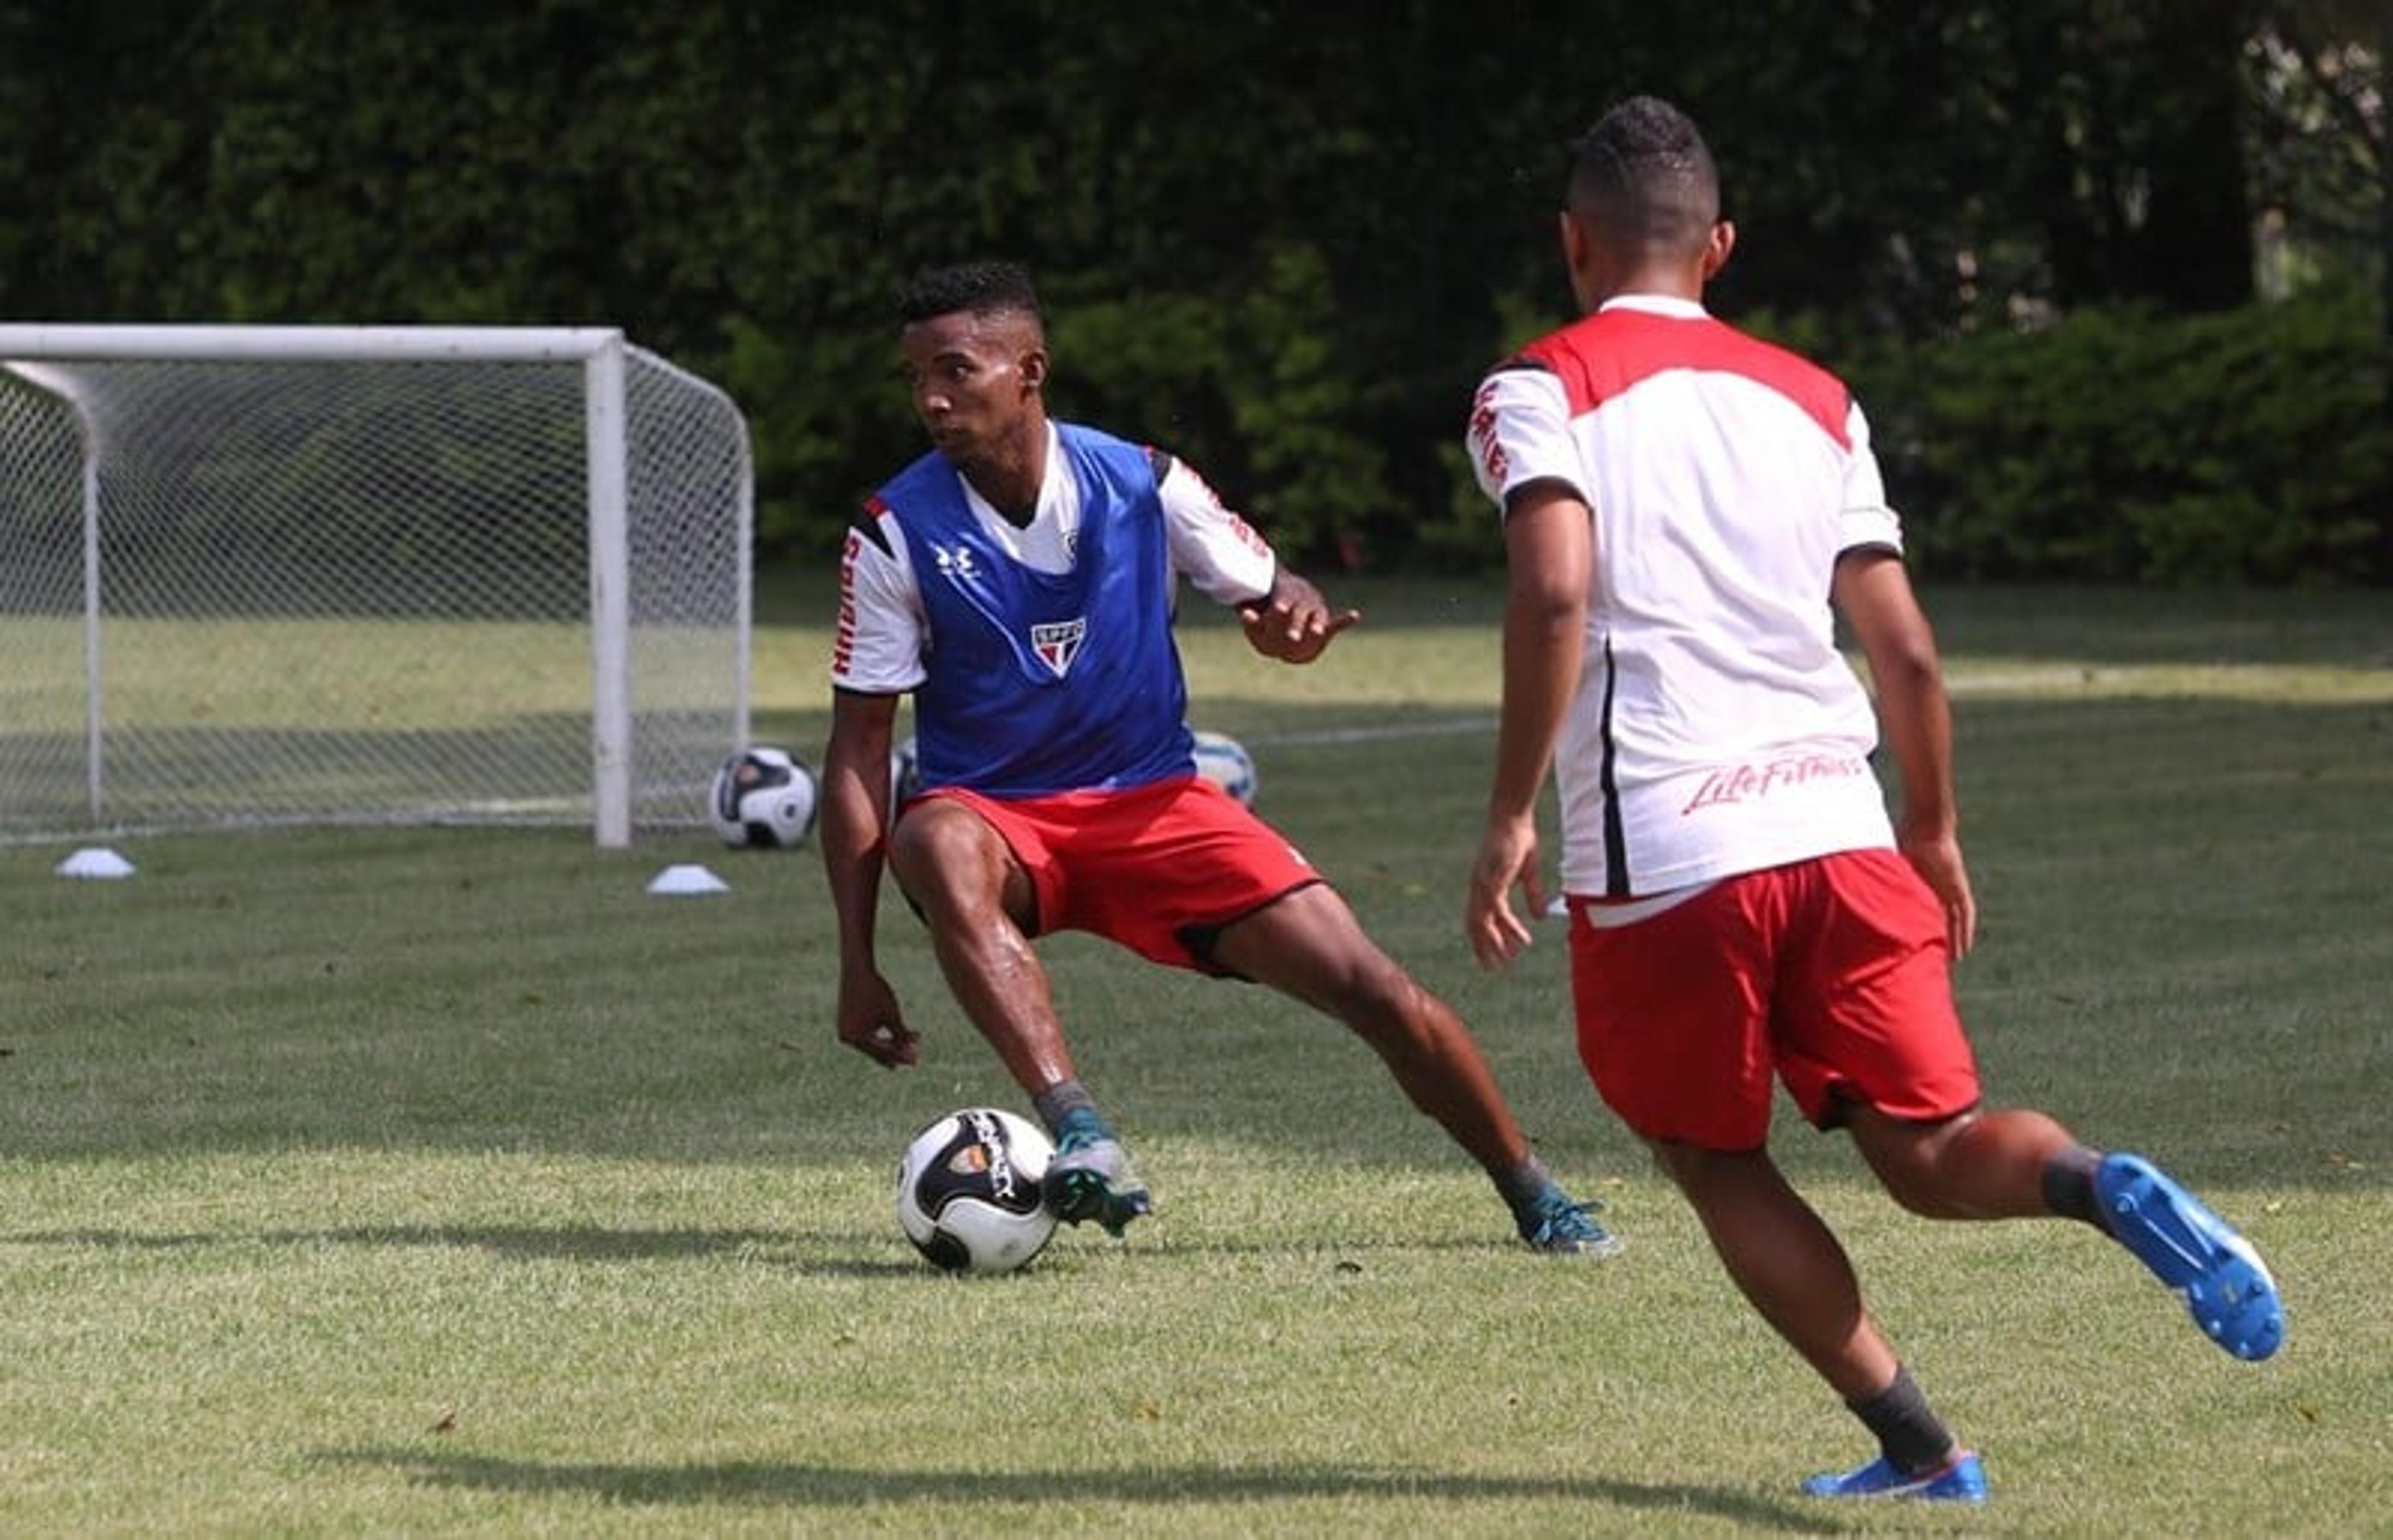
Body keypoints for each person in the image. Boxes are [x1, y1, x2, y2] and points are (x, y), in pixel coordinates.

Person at [1462, 96, 2283, 1502]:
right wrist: (1935, 828)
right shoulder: (1818, 397)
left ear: (1571, 242)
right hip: (1841, 828)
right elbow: (1901, 644)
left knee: (1715, 1158)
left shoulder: (1536, 388)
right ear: (1717, 245)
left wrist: (1508, 817)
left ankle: (1923, 1448)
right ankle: (2091, 1182)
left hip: (1670, 850)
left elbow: (1553, 588)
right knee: (1931, 1147)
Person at [821, 259, 1617, 1257]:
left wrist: (1297, 620)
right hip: (999, 820)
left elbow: (1275, 588)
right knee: (933, 836)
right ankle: (1080, 1129)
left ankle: (1536, 1194)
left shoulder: (1144, 483)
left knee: (1374, 988)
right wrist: (856, 963)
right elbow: (860, 753)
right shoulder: (893, 533)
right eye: (915, 379)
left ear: (1030, 369)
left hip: (1156, 807)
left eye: (956, 370)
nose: (931, 399)